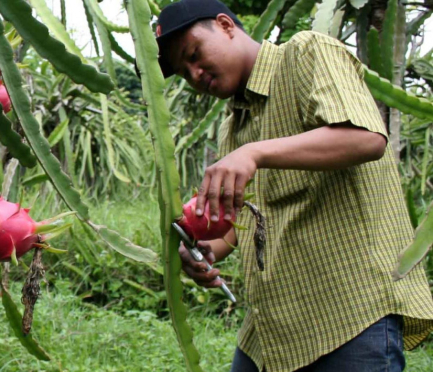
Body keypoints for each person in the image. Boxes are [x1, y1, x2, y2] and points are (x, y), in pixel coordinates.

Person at [155, 0, 433, 371]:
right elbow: (255, 215)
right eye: (183, 72)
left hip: (351, 318)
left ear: (225, 25)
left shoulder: (307, 53)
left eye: (194, 54)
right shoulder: (232, 125)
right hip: (270, 332)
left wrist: (254, 153)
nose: (194, 73)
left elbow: (366, 139)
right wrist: (210, 250)